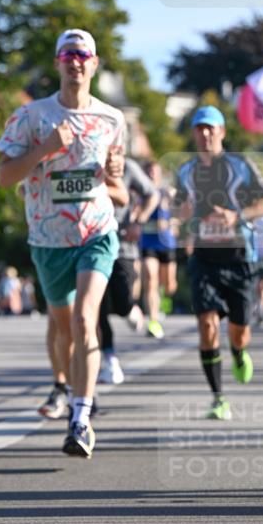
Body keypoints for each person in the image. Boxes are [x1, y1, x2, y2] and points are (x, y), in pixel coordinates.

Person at [0, 28, 125, 458]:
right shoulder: (31, 117)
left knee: (87, 320)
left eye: (83, 54)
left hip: (96, 233)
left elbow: (117, 186)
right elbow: (5, 177)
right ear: (58, 62)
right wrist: (46, 149)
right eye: (68, 54)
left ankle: (80, 418)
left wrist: (113, 174)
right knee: (63, 324)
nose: (76, 61)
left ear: (94, 63)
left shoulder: (112, 119)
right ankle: (62, 384)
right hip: (49, 238)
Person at [173, 105, 263, 420]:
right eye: (199, 128)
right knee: (206, 325)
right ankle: (218, 398)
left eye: (210, 128)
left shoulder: (241, 165)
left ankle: (239, 352)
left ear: (221, 132)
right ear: (194, 133)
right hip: (204, 258)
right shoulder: (185, 171)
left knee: (239, 331)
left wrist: (237, 216)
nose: (204, 134)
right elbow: (179, 210)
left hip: (239, 258)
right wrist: (183, 215)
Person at [98, 160, 158, 384]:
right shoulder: (80, 157)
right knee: (98, 308)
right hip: (92, 243)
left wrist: (138, 221)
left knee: (123, 303)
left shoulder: (127, 166)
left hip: (122, 245)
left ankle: (130, 309)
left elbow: (152, 194)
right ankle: (110, 359)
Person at [140, 160, 178, 339]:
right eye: (149, 172)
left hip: (166, 242)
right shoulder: (139, 193)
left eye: (155, 172)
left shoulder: (167, 192)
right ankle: (153, 320)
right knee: (149, 277)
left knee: (169, 284)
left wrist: (172, 221)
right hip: (147, 241)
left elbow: (181, 211)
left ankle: (163, 297)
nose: (152, 175)